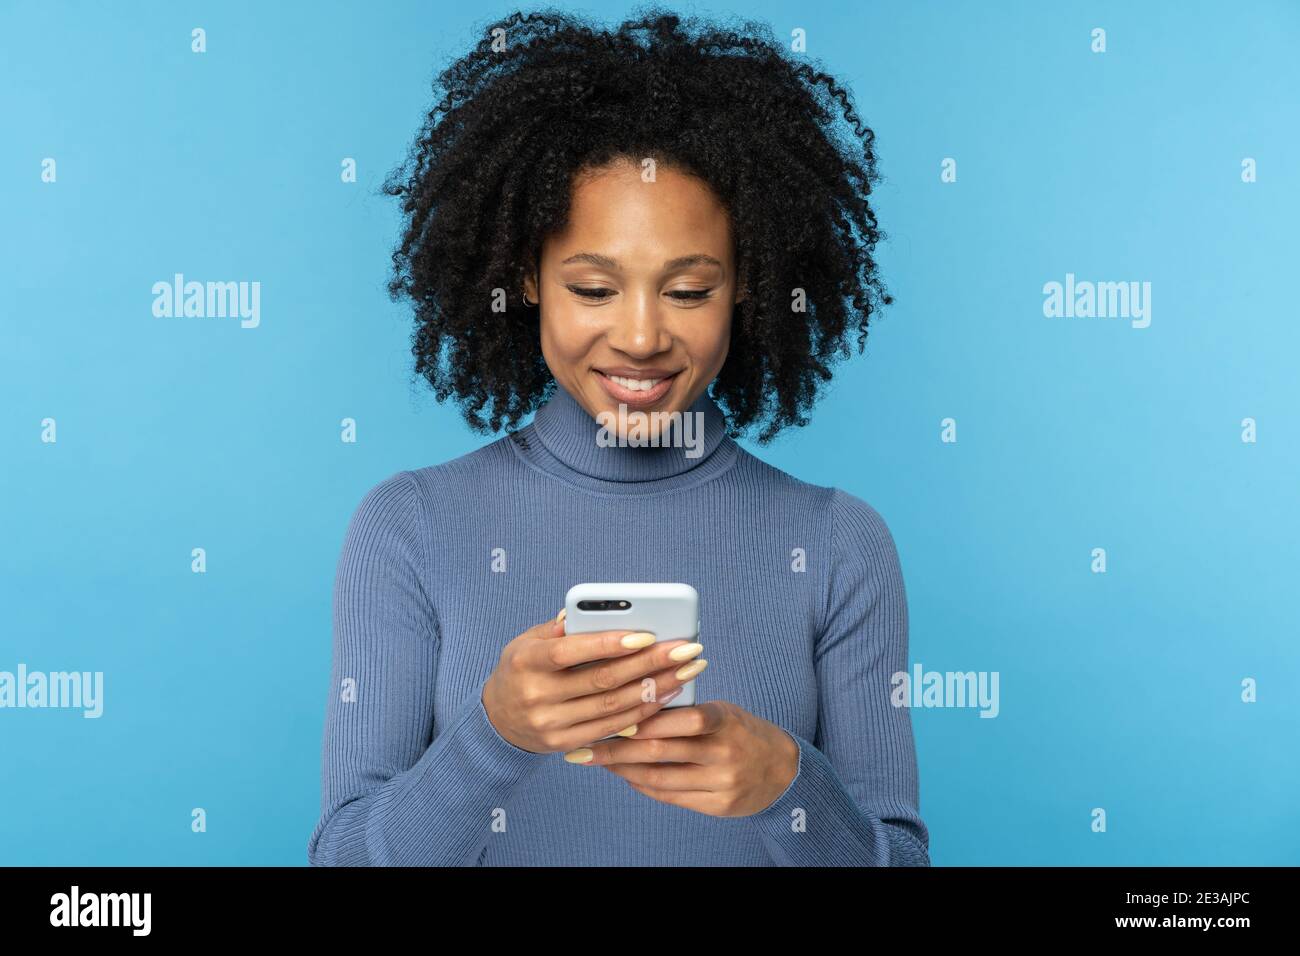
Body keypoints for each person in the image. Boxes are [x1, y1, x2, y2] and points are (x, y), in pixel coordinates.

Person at [307, 8, 930, 866]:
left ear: (747, 284)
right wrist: (494, 734)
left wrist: (790, 787)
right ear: (525, 275)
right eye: (594, 288)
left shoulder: (838, 543)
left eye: (688, 291)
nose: (640, 337)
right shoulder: (409, 526)